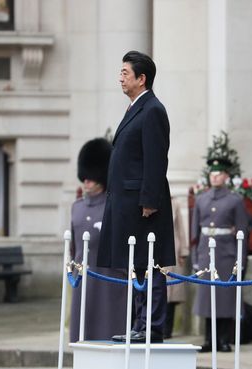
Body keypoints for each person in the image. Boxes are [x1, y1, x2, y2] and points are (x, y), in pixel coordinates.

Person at [97, 51, 175, 344]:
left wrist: (149, 201)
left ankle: (152, 326)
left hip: (142, 206)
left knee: (149, 264)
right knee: (136, 264)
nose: (120, 78)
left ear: (142, 79)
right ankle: (139, 323)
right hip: (125, 203)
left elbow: (156, 159)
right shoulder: (134, 108)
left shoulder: (152, 109)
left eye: (125, 73)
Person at [69, 138, 127, 342]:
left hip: (108, 278)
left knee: (107, 327)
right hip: (83, 277)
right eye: (84, 176)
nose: (86, 180)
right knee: (82, 329)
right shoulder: (76, 207)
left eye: (91, 177)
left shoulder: (114, 205)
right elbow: (73, 247)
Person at [191, 158, 249, 352]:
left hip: (226, 252)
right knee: (208, 297)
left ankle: (223, 339)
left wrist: (241, 259)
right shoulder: (201, 199)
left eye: (218, 173)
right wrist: (195, 259)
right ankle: (208, 339)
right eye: (212, 173)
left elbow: (242, 232)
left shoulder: (235, 200)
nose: (214, 176)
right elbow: (195, 233)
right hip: (206, 252)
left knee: (225, 297)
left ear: (226, 176)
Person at [163, 197, 189, 339]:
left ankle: (167, 329)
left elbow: (180, 228)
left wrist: (183, 251)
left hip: (172, 248)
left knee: (170, 293)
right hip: (152, 248)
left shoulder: (174, 203)